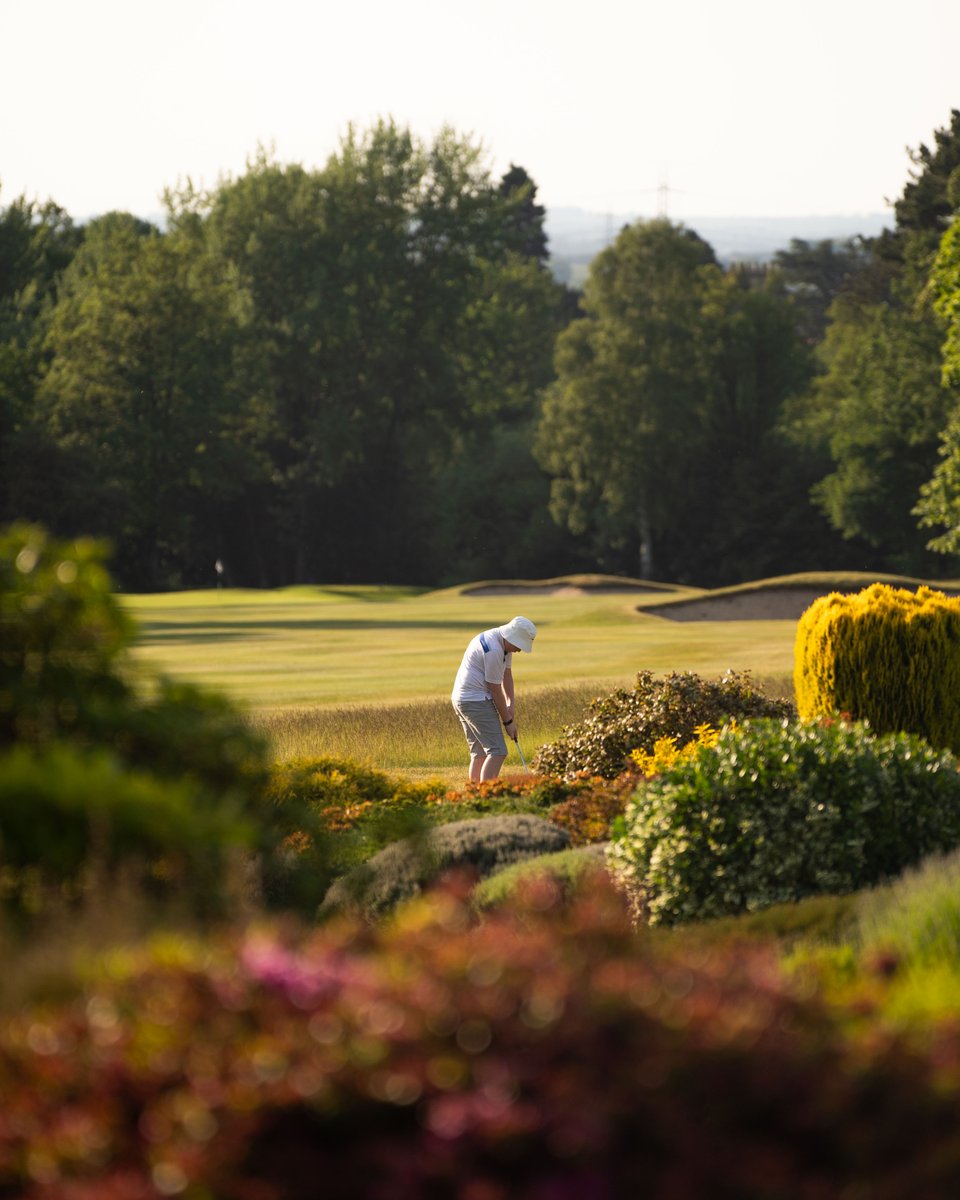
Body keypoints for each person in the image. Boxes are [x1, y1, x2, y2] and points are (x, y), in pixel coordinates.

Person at [451, 616, 537, 782]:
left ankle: (474, 796)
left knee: (480, 753)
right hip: (476, 701)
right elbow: (495, 689)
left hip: (462, 699)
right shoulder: (494, 650)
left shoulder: (502, 642)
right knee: (497, 751)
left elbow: (507, 674)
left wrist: (510, 703)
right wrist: (508, 722)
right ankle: (487, 795)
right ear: (512, 637)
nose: (519, 650)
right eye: (519, 645)